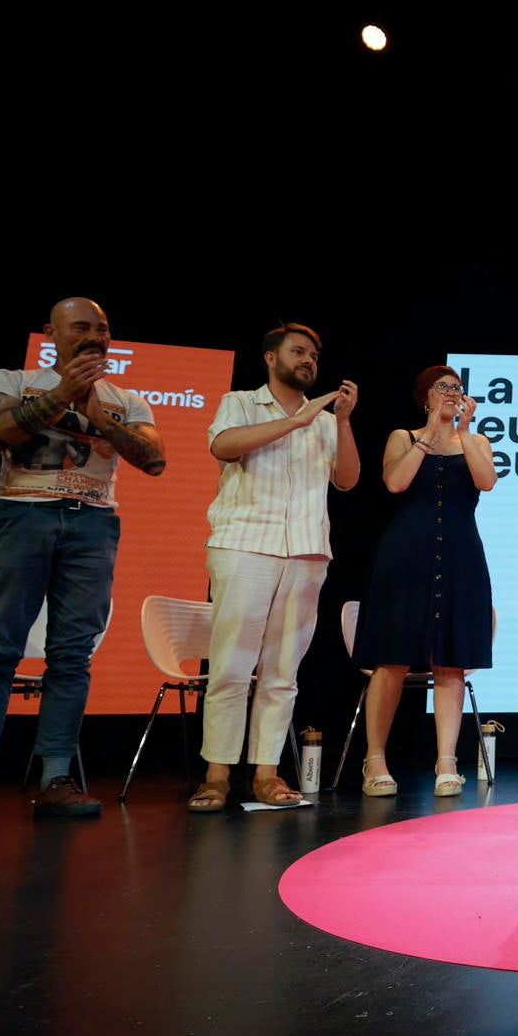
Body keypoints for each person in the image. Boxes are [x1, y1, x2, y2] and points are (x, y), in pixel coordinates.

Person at [0, 298, 166, 831]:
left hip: (93, 520)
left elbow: (155, 460)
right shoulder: (12, 378)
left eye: (103, 328)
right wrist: (62, 394)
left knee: (72, 655)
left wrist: (101, 419)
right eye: (81, 326)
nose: (95, 335)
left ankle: (55, 778)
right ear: (52, 333)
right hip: (19, 514)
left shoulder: (127, 398)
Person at [187, 324, 358, 812]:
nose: (309, 361)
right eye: (298, 352)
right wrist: (297, 420)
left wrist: (341, 421)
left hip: (305, 551)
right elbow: (224, 447)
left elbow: (347, 480)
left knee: (283, 671)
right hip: (245, 544)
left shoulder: (325, 421)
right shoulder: (241, 402)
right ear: (270, 357)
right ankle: (217, 775)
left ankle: (266, 773)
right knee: (231, 667)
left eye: (314, 355)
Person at [351, 364, 494, 798]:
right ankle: (374, 760)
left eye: (457, 387)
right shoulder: (403, 437)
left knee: (450, 660)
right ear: (425, 396)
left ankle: (447, 763)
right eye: (442, 387)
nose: (451, 393)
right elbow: (395, 482)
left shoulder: (476, 440)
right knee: (391, 659)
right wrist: (430, 434)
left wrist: (464, 431)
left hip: (460, 558)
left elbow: (486, 481)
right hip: (404, 558)